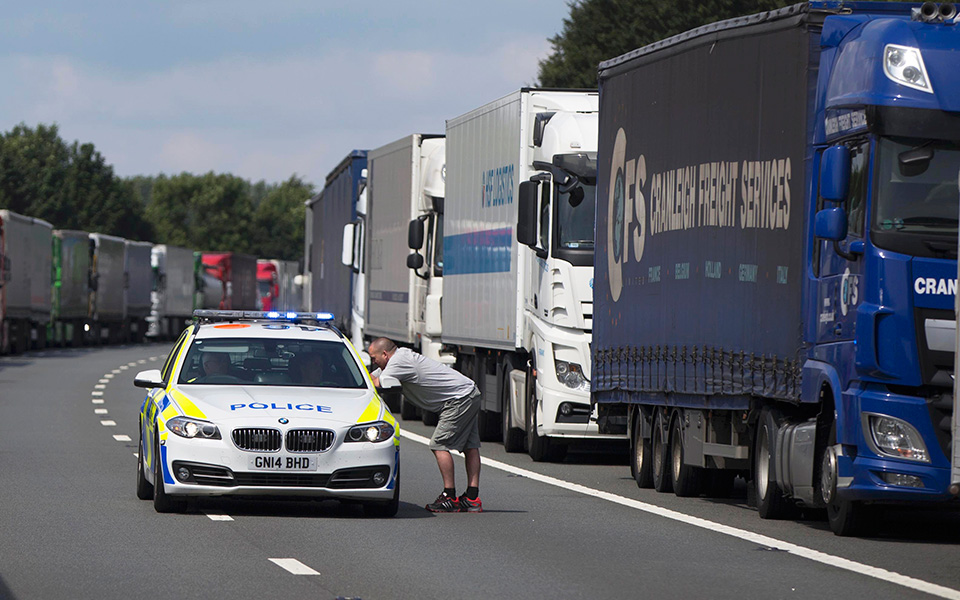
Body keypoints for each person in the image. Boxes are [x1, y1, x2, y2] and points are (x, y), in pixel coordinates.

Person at [367, 337, 483, 513]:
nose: (373, 362)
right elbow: (372, 375)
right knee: (470, 445)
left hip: (458, 400)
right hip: (469, 393)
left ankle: (449, 496)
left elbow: (375, 383)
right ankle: (472, 498)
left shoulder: (398, 362)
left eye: (374, 358)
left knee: (439, 444)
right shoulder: (399, 357)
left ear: (384, 354)